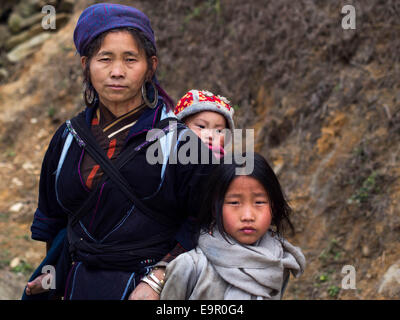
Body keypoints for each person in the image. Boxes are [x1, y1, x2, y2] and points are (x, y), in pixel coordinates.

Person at [23, 3, 215, 300]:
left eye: (130, 59)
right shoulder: (67, 138)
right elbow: (56, 223)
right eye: (104, 59)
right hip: (78, 287)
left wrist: (157, 279)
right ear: (85, 64)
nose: (117, 72)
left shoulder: (179, 142)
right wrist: (54, 278)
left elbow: (205, 222)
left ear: (151, 65)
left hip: (151, 290)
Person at [160, 152, 306, 300]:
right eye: (234, 202)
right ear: (215, 208)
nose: (248, 216)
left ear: (273, 208)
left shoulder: (278, 261)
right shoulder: (190, 266)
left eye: (259, 202)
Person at [174, 89, 235, 159]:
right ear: (180, 126)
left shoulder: (225, 165)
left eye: (219, 131)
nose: (210, 135)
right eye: (201, 126)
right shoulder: (167, 155)